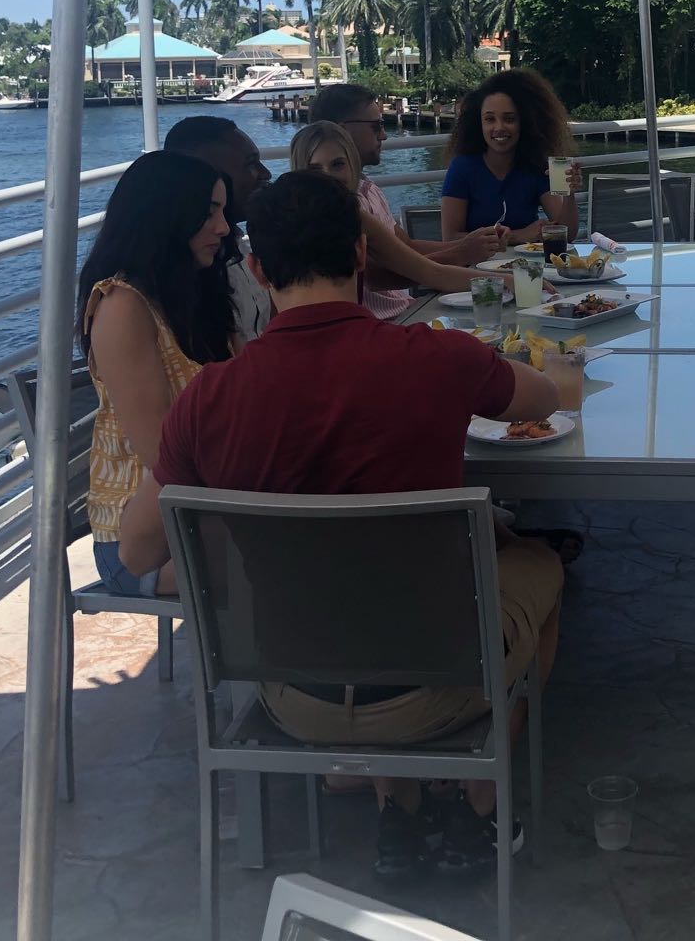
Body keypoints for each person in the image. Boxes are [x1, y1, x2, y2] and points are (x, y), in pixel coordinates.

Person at [116, 171, 563, 877]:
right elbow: (540, 393)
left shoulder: (210, 399)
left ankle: (402, 809)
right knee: (542, 567)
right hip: (436, 685)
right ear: (361, 254)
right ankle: (483, 803)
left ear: (259, 268)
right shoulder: (436, 359)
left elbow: (139, 549)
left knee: (353, 589)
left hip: (292, 695)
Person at [76, 150, 237, 597]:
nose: (224, 228)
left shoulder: (194, 291)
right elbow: (161, 451)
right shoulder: (122, 307)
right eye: (209, 214)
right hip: (141, 543)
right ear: (166, 216)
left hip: (207, 510)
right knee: (303, 552)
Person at [289, 121, 511, 316]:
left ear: (352, 163)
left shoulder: (360, 211)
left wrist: (506, 280)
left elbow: (422, 264)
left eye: (337, 164)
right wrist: (462, 252)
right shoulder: (289, 225)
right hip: (360, 328)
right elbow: (378, 277)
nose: (328, 176)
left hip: (384, 318)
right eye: (315, 168)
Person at [304, 83, 508, 268]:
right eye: (376, 126)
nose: (383, 135)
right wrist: (460, 254)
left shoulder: (369, 189)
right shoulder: (333, 207)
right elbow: (379, 276)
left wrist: (478, 243)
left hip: (405, 304)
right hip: (389, 310)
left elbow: (407, 247)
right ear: (343, 131)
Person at [163, 114, 273, 343]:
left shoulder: (239, 245)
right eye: (251, 163)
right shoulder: (178, 276)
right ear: (206, 174)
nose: (265, 173)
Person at [441, 70, 583, 244]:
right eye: (490, 119)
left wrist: (569, 194)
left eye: (509, 119)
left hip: (528, 268)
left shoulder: (537, 166)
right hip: (476, 268)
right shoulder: (462, 168)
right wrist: (518, 236)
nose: (499, 127)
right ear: (478, 123)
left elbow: (567, 235)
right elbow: (450, 238)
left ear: (526, 122)